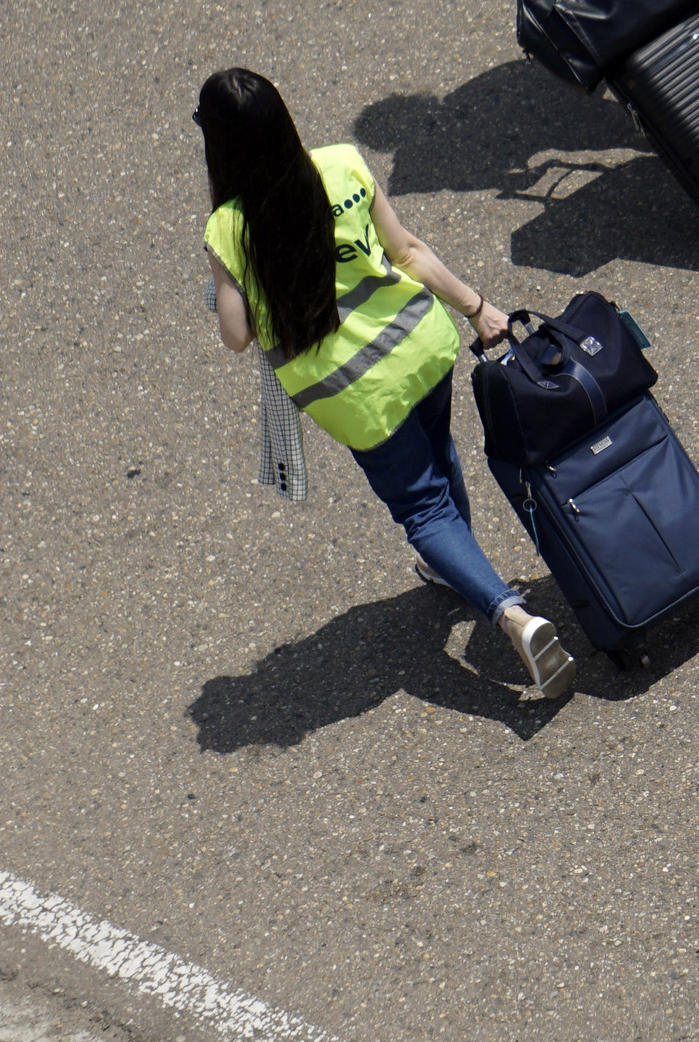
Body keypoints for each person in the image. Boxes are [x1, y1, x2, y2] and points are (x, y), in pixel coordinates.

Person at [196, 68, 574, 699]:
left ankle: (510, 613)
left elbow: (237, 336)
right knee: (441, 451)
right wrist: (476, 306)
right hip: (423, 346)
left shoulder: (229, 229)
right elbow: (409, 252)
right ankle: (459, 566)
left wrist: (223, 287)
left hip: (356, 393)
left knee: (419, 505)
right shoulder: (342, 164)